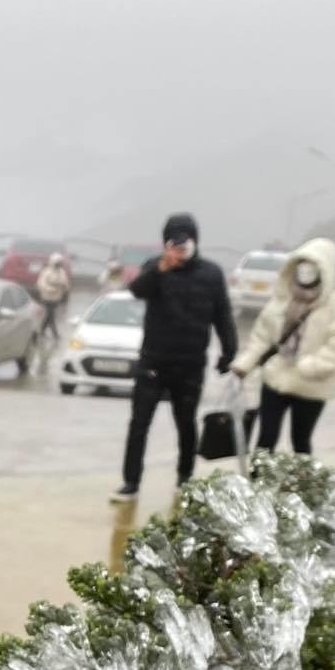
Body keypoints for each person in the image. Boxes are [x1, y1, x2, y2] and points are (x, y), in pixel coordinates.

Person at [118, 213, 236, 500]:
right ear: (165, 242)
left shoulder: (211, 273)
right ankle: (131, 482)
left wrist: (229, 351)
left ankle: (185, 477)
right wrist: (161, 268)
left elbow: (223, 315)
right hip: (153, 361)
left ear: (195, 240)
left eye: (186, 239)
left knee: (186, 423)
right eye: (174, 239)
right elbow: (136, 291)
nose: (180, 245)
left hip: (191, 363)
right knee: (139, 423)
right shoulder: (155, 268)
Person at [232, 237, 335, 456]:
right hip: (275, 379)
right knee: (265, 439)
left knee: (300, 441)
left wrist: (311, 366)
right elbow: (262, 337)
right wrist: (244, 364)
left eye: (312, 269)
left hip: (311, 385)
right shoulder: (282, 300)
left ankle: (302, 486)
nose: (305, 274)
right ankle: (257, 485)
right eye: (302, 268)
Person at [35, 252, 73, 340]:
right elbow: (41, 283)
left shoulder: (62, 272)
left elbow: (65, 283)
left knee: (48, 315)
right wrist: (50, 289)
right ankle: (55, 334)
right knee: (51, 314)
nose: (59, 265)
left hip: (56, 297)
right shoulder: (46, 271)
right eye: (57, 262)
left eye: (60, 263)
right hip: (47, 297)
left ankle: (41, 331)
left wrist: (65, 287)